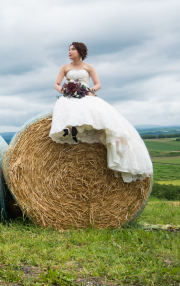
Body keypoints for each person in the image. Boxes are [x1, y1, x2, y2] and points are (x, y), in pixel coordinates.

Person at [51, 42, 152, 182]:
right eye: (69, 49)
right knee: (68, 110)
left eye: (73, 49)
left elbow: (98, 84)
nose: (69, 52)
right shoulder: (64, 68)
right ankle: (73, 133)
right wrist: (66, 92)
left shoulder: (89, 67)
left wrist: (88, 91)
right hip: (69, 97)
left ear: (80, 51)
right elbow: (56, 84)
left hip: (85, 95)